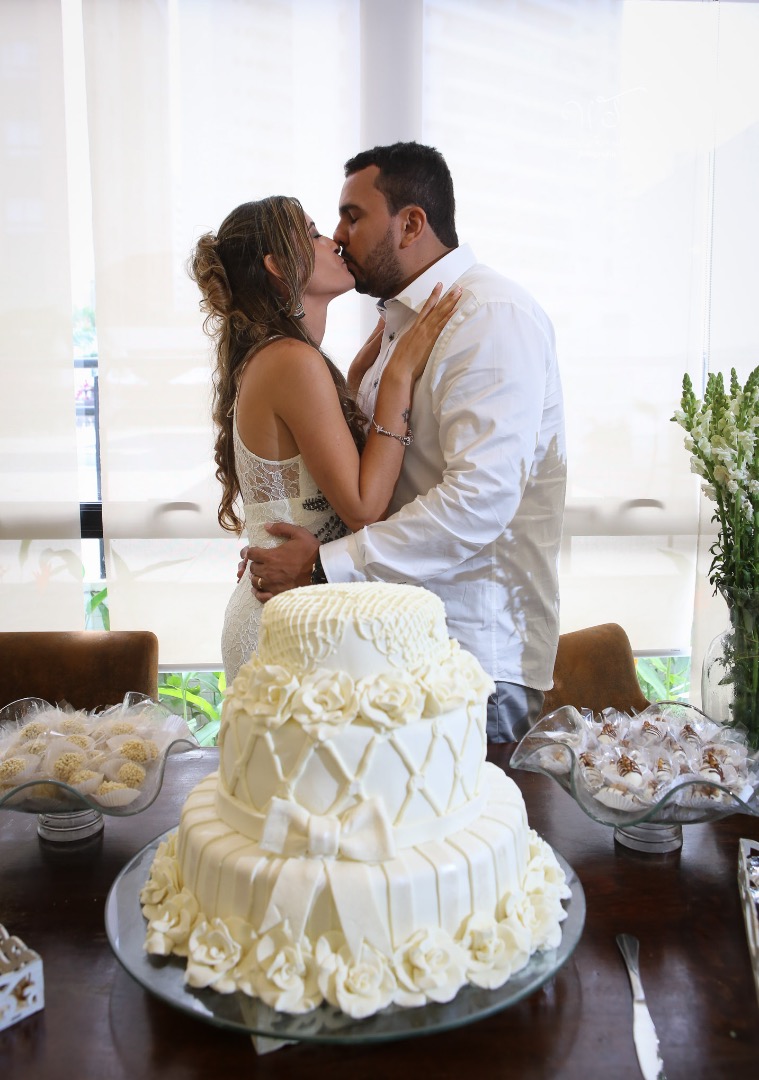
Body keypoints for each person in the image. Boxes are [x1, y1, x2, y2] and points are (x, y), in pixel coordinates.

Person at [244, 142, 567, 743]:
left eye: (352, 216)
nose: (338, 237)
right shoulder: (401, 326)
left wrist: (323, 564)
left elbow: (479, 501)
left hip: (472, 657)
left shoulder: (488, 316)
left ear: (411, 222)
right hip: (398, 647)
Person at [190, 195, 461, 681]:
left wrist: (360, 378)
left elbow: (308, 476)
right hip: (287, 631)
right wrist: (397, 376)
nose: (332, 239)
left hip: (289, 617)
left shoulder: (279, 357)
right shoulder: (291, 360)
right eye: (313, 232)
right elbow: (361, 506)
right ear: (277, 265)